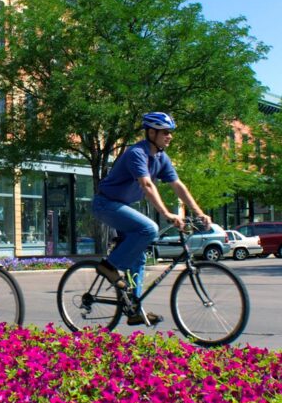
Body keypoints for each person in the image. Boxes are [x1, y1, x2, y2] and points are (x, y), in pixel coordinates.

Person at [91, 112, 212, 325]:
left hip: (121, 206)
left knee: (139, 258)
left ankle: (133, 309)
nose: (170, 136)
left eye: (170, 132)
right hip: (105, 204)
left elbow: (178, 185)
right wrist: (166, 213)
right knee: (149, 228)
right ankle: (109, 266)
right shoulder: (136, 153)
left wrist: (199, 212)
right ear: (151, 132)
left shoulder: (161, 158)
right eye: (165, 132)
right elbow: (146, 185)